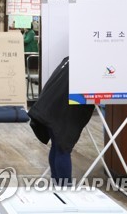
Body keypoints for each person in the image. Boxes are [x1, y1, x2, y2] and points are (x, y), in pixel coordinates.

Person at [28, 57, 94, 186]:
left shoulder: (70, 59)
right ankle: (65, 190)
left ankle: (58, 186)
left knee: (58, 146)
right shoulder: (89, 63)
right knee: (63, 148)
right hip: (61, 108)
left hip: (49, 104)